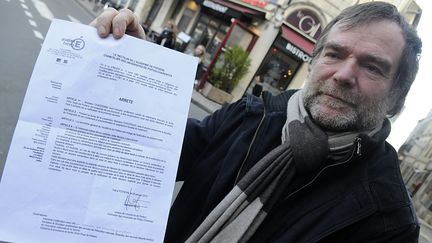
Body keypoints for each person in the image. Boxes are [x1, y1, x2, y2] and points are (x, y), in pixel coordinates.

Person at [90, 2, 422, 242]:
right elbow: (147, 152)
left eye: (372, 67)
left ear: (397, 96)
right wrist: (134, 67)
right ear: (317, 59)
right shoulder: (251, 115)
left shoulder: (389, 221)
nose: (344, 75)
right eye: (334, 54)